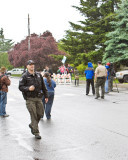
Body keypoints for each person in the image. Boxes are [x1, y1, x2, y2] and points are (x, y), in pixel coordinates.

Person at [19, 60, 48, 139]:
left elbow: (43, 86)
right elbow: (20, 87)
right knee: (34, 115)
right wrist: (28, 88)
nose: (32, 66)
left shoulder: (38, 75)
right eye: (30, 64)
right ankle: (36, 132)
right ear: (27, 66)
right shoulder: (24, 76)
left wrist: (46, 96)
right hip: (30, 99)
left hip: (38, 98)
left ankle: (32, 125)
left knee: (40, 114)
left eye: (33, 64)